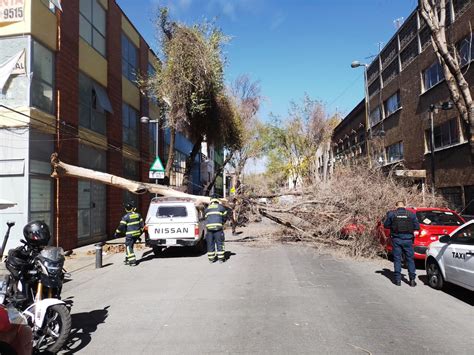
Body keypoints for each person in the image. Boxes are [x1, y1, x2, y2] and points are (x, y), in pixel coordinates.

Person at [384, 201, 420, 287]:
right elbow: (417, 226)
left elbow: (386, 225)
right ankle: (412, 280)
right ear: (404, 206)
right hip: (408, 240)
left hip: (397, 239)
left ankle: (398, 280)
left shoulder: (392, 214)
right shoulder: (411, 214)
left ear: (396, 206)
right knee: (410, 259)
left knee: (397, 259)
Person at [115, 201, 144, 266]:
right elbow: (142, 225)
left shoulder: (126, 217)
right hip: (137, 234)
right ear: (132, 208)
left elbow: (121, 226)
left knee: (128, 247)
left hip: (130, 235)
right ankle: (128, 259)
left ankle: (132, 261)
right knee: (130, 246)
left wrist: (117, 232)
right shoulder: (138, 215)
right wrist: (140, 233)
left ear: (126, 209)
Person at [205, 194, 228, 263]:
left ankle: (211, 259)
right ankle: (221, 259)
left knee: (210, 243)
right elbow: (225, 216)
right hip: (218, 229)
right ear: (217, 200)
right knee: (220, 243)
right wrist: (222, 223)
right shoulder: (221, 207)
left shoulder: (207, 208)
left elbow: (206, 218)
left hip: (209, 229)